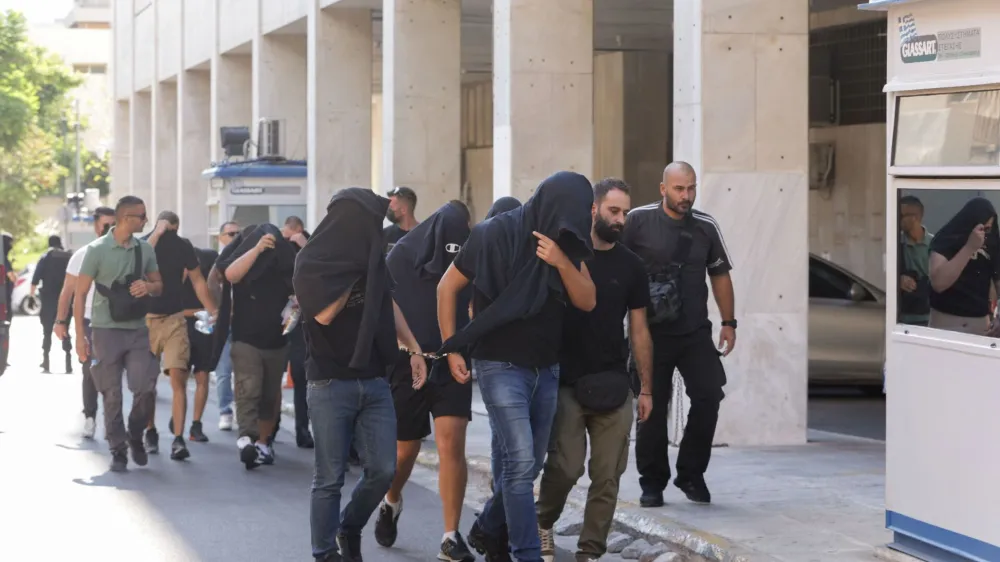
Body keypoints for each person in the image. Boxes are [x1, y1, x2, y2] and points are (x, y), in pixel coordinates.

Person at [437, 171, 596, 562]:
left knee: (528, 466)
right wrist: (452, 349)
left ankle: (489, 525)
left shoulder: (565, 242)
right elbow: (446, 287)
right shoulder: (493, 234)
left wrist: (561, 262)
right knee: (521, 463)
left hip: (546, 368)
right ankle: (525, 552)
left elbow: (588, 300)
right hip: (500, 366)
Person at [293, 187, 427, 562]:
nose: (375, 231)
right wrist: (357, 274)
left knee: (383, 470)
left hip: (374, 378)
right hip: (329, 380)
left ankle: (348, 527)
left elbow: (389, 303)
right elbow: (323, 314)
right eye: (370, 222)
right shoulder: (311, 261)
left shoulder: (374, 262)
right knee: (330, 477)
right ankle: (323, 553)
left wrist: (413, 348)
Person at [535, 178, 655, 562]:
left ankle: (590, 551)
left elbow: (639, 330)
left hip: (613, 385)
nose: (620, 220)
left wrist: (647, 389)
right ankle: (542, 523)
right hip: (567, 382)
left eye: (624, 213)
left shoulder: (633, 266)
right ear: (594, 209)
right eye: (613, 211)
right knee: (566, 467)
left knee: (607, 477)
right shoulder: (565, 254)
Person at [621, 161, 735, 507]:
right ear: (663, 189)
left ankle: (691, 473)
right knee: (651, 407)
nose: (686, 196)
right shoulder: (637, 221)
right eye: (679, 189)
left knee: (709, 396)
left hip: (694, 332)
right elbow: (613, 265)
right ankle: (652, 482)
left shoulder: (704, 226)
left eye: (691, 188)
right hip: (648, 333)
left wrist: (729, 322)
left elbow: (719, 275)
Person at [375, 200, 476, 561]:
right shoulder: (402, 254)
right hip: (409, 363)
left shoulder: (471, 249)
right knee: (406, 450)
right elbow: (385, 304)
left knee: (452, 445)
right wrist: (407, 348)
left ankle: (450, 536)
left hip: (453, 362)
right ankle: (391, 500)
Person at [73, 196, 163, 473]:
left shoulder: (145, 249)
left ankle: (135, 434)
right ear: (125, 218)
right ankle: (118, 449)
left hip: (137, 330)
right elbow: (80, 293)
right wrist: (79, 335)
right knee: (110, 394)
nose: (146, 221)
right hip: (104, 332)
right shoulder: (97, 250)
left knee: (145, 388)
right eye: (141, 216)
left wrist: (147, 288)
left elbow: (159, 284)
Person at [215, 223, 295, 469]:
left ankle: (262, 443)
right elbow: (231, 274)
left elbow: (300, 285)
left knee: (269, 395)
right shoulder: (245, 260)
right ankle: (246, 438)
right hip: (246, 338)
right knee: (248, 389)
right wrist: (257, 248)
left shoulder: (285, 262)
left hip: (276, 340)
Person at [141, 211, 219, 460]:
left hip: (174, 319)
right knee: (151, 382)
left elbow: (197, 280)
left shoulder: (182, 245)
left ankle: (177, 438)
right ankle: (151, 431)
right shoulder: (144, 243)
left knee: (177, 379)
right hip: (148, 320)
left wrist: (212, 310)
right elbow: (138, 264)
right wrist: (157, 234)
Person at [55, 206, 117, 439]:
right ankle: (90, 415)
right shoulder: (82, 255)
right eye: (105, 225)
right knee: (90, 370)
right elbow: (67, 292)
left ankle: (113, 421)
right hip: (90, 321)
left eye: (114, 224)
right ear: (96, 226)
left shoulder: (129, 253)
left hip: (120, 323)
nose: (109, 229)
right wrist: (61, 321)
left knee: (114, 373)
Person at [928, 197, 1000, 336]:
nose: (984, 234)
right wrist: (969, 248)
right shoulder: (946, 239)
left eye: (988, 229)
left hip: (979, 325)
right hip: (945, 325)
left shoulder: (993, 243)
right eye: (981, 228)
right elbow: (939, 283)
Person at [278, 216, 313, 448]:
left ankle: (302, 430)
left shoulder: (308, 243)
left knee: (302, 378)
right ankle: (272, 428)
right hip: (284, 319)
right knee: (284, 377)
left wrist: (304, 245)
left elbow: (321, 265)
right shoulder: (278, 247)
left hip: (304, 323)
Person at [180, 246, 219, 448]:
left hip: (203, 327)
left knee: (202, 375)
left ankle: (196, 424)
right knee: (181, 377)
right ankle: (178, 418)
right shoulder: (174, 271)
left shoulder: (209, 262)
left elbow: (214, 296)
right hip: (181, 329)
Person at [211, 221, 240, 430]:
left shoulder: (247, 258)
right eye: (231, 233)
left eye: (238, 233)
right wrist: (216, 312)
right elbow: (208, 287)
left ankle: (241, 408)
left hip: (244, 322)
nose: (235, 236)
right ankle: (225, 411)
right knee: (223, 372)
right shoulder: (218, 263)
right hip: (225, 323)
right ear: (221, 237)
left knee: (244, 371)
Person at [30, 235, 73, 374]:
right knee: (65, 328)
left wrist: (31, 296)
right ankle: (68, 362)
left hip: (48, 299)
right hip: (66, 299)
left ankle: (46, 361)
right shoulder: (68, 256)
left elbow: (35, 279)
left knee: (47, 331)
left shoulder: (45, 257)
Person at [899, 195, 933, 326]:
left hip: (929, 315)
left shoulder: (934, 244)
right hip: (904, 317)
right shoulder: (897, 245)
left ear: (916, 217)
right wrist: (898, 279)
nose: (898, 220)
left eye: (902, 216)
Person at [384, 186, 419, 252]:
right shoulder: (385, 235)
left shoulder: (425, 235)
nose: (387, 210)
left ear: (403, 210)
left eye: (391, 207)